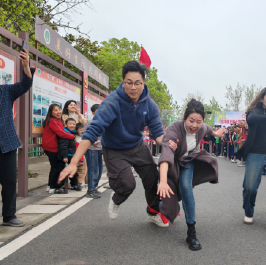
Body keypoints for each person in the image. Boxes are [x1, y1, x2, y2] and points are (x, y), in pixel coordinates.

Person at [59, 60, 177, 226]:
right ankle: (116, 199)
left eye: (138, 83)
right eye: (129, 83)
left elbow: (158, 133)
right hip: (114, 149)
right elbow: (92, 132)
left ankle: (153, 211)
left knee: (152, 177)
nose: (133, 87)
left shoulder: (150, 105)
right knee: (127, 184)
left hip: (137, 146)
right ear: (123, 82)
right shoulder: (111, 103)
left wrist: (169, 144)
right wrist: (73, 162)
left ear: (143, 83)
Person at [157, 99, 225, 250]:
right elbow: (166, 155)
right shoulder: (174, 129)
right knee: (169, 200)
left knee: (186, 188)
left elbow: (209, 129)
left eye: (199, 121)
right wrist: (162, 181)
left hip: (189, 161)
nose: (194, 125)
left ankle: (191, 232)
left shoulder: (202, 128)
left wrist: (217, 133)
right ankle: (157, 205)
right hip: (173, 164)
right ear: (185, 118)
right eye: (191, 121)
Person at [234, 87, 266, 227]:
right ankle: (249, 212)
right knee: (250, 186)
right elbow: (251, 120)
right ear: (262, 98)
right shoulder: (254, 112)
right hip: (254, 153)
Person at [0, 49, 35, 227]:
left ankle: (9, 216)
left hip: (6, 142)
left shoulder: (5, 90)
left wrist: (26, 65)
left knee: (9, 181)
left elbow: (25, 84)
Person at [42, 104, 75, 194]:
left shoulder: (57, 120)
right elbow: (61, 133)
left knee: (54, 167)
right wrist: (73, 136)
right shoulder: (53, 121)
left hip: (51, 147)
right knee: (57, 167)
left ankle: (50, 186)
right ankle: (55, 187)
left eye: (59, 109)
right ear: (51, 112)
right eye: (55, 110)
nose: (58, 112)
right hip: (52, 147)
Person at [83, 104, 103, 199]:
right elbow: (83, 133)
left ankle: (94, 188)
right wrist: (92, 140)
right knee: (93, 170)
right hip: (91, 149)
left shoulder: (104, 123)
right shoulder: (90, 123)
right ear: (93, 113)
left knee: (99, 170)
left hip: (100, 149)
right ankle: (90, 190)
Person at [59, 118, 82, 191]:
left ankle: (74, 184)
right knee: (64, 171)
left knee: (74, 171)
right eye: (70, 124)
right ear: (66, 124)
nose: (72, 125)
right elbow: (63, 145)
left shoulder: (72, 133)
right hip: (67, 156)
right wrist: (65, 156)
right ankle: (60, 186)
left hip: (72, 155)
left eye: (74, 124)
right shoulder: (65, 133)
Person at [75, 122, 87, 190]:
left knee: (82, 170)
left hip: (83, 157)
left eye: (83, 130)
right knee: (79, 170)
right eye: (80, 130)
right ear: (76, 130)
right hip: (77, 157)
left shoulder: (85, 138)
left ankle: (80, 183)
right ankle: (77, 183)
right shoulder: (75, 138)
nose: (82, 131)